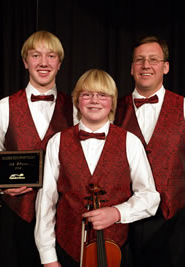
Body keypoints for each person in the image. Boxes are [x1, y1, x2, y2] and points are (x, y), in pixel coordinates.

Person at [34, 69, 160, 267]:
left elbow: (150, 197)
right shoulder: (57, 142)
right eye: (87, 95)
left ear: (112, 102)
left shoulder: (130, 142)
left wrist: (117, 213)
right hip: (66, 250)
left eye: (102, 95)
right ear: (77, 101)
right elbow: (46, 203)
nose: (94, 101)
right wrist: (48, 257)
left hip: (115, 250)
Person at [0, 30, 76, 267]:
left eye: (51, 56)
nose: (43, 63)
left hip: (63, 217)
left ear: (59, 63)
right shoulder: (2, 107)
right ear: (26, 62)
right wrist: (4, 187)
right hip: (16, 215)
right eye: (36, 56)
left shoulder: (78, 108)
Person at [115, 36, 185, 267]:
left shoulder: (183, 106)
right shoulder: (112, 109)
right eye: (140, 60)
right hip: (124, 219)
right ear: (132, 68)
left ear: (165, 67)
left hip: (173, 220)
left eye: (153, 60)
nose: (146, 65)